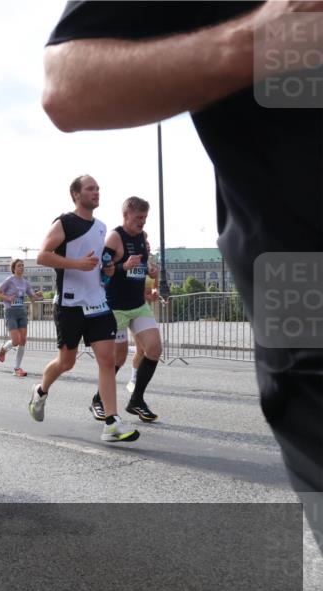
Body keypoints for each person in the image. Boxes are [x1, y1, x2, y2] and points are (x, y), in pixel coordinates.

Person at [42, 2, 322, 489]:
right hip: (102, 303)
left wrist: (150, 281)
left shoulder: (138, 236)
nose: (136, 218)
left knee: (149, 348)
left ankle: (125, 402)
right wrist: (101, 266)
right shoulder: (96, 231)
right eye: (136, 213)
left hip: (128, 303)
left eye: (141, 215)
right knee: (79, 360)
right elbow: (96, 267)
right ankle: (64, 392)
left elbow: (136, 267)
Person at [27, 175, 139, 443]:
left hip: (98, 304)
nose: (96, 192)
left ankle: (111, 423)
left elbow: (100, 267)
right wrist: (77, 264)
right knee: (66, 361)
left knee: (107, 360)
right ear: (76, 194)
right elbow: (42, 256)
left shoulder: (101, 227)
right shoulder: (65, 222)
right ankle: (40, 391)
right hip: (70, 305)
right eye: (90, 188)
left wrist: (108, 268)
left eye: (98, 188)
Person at [87, 196, 162, 422]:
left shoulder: (141, 237)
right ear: (126, 215)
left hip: (137, 305)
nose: (143, 222)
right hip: (115, 307)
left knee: (155, 348)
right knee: (116, 358)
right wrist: (122, 266)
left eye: (145, 218)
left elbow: (139, 268)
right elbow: (101, 271)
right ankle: (98, 400)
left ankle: (136, 400)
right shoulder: (114, 238)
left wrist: (150, 272)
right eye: (139, 217)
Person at [0, 259, 43, 377]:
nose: (21, 267)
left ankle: (17, 368)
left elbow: (32, 298)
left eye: (22, 266)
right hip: (10, 312)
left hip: (21, 312)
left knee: (23, 340)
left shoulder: (25, 283)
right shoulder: (9, 280)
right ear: (14, 268)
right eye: (19, 266)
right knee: (15, 341)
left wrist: (38, 296)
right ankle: (3, 349)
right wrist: (8, 298)